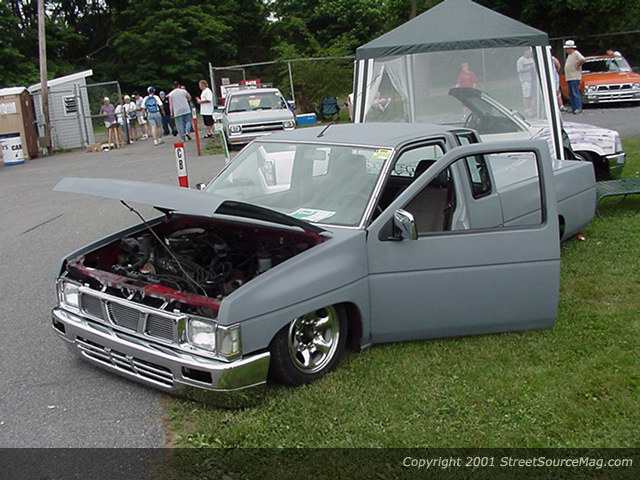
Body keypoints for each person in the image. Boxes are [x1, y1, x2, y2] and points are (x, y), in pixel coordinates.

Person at [564, 40, 585, 114]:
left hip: (574, 77)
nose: (566, 50)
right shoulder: (570, 55)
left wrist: (578, 65)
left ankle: (578, 108)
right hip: (570, 77)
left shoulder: (576, 53)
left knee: (575, 92)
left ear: (571, 48)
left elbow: (583, 59)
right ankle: (574, 108)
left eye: (567, 48)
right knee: (571, 93)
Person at [516, 48, 537, 116]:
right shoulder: (520, 60)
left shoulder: (531, 59)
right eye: (528, 52)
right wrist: (529, 68)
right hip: (525, 81)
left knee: (532, 95)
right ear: (525, 52)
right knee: (526, 95)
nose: (530, 53)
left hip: (533, 80)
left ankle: (532, 109)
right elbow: (519, 70)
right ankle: (527, 110)